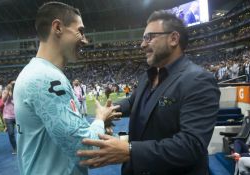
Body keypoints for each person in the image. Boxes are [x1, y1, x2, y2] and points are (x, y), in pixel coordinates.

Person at [77, 10, 220, 175]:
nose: (142, 45)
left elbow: (191, 145)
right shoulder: (149, 75)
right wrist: (109, 110)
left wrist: (130, 150)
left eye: (149, 37)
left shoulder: (199, 80)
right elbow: (133, 102)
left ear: (173, 38)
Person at [13, 2, 120, 175]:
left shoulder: (39, 73)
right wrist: (100, 119)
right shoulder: (46, 78)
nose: (85, 40)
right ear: (58, 28)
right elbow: (87, 150)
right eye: (81, 31)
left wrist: (96, 128)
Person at [2, 81, 17, 154]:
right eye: (11, 84)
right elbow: (3, 100)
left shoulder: (17, 92)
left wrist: (12, 95)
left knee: (23, 132)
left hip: (18, 115)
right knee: (11, 133)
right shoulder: (5, 92)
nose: (12, 86)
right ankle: (15, 148)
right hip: (8, 116)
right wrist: (8, 93)